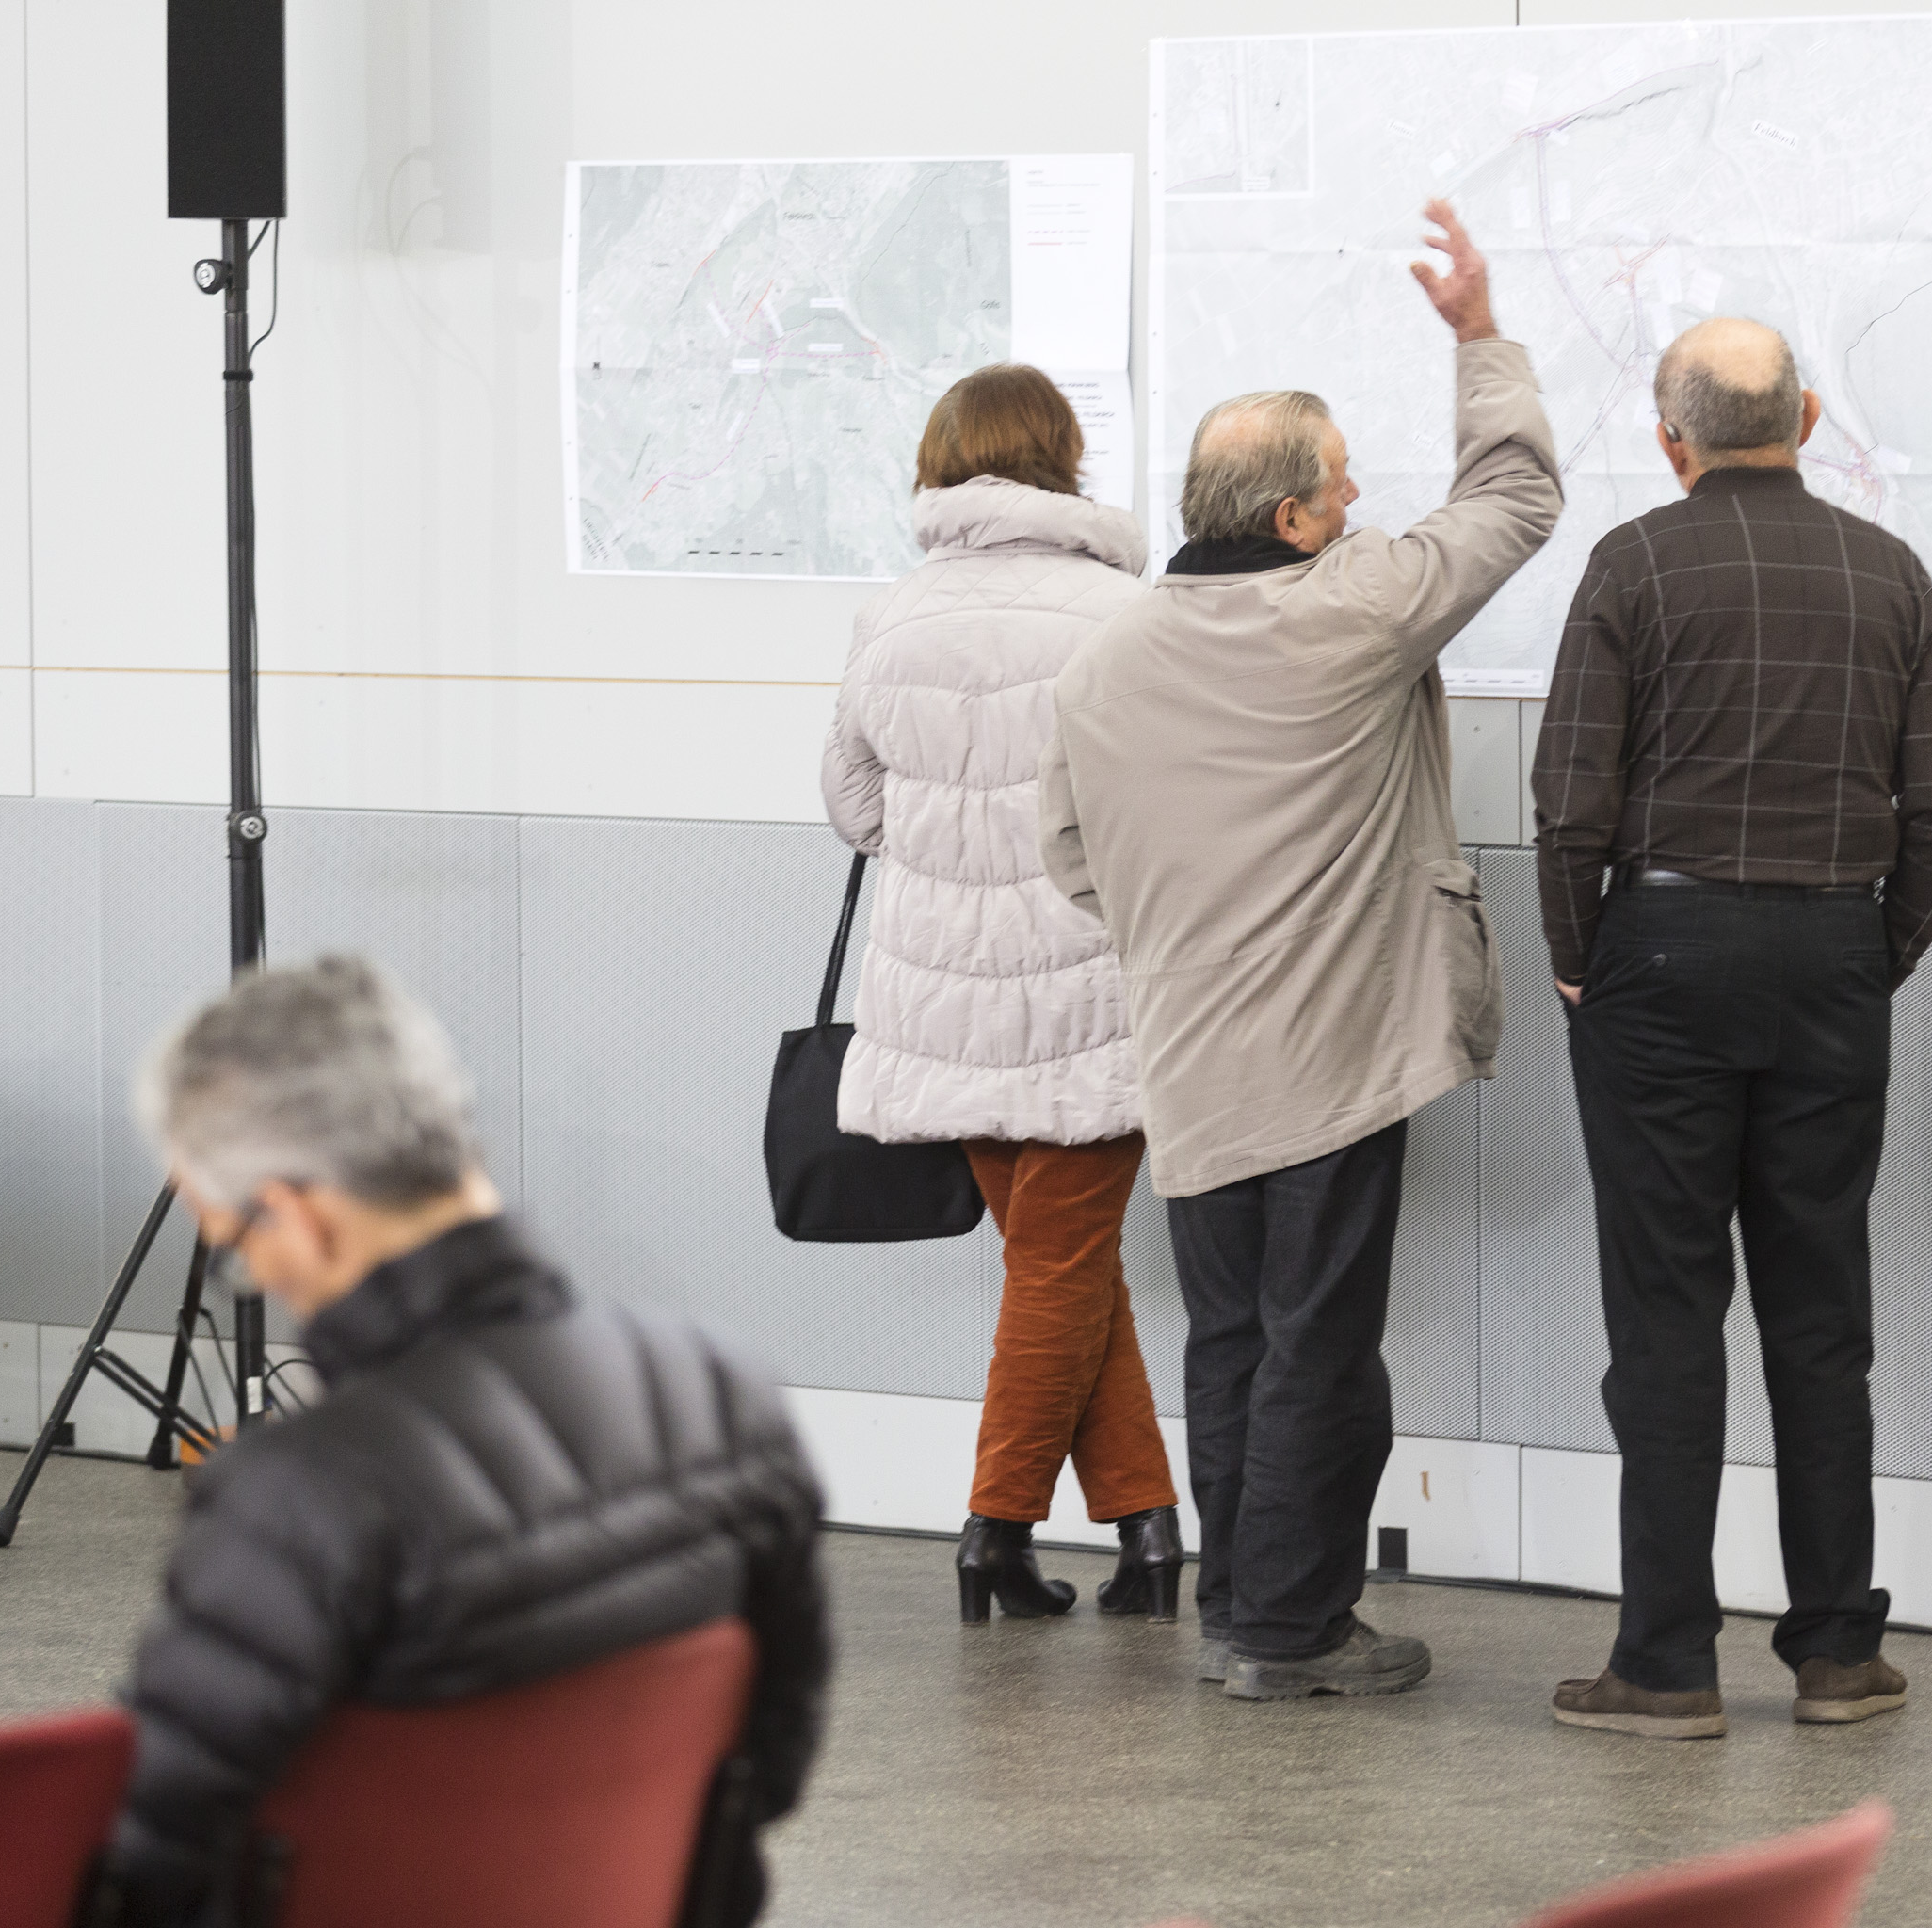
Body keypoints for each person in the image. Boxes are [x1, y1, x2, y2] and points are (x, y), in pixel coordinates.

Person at [1038, 201, 1562, 1702]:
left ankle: (1241, 1612)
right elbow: (1517, 494)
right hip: (1332, 1061)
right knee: (1321, 1345)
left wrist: (1189, 927)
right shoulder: (1352, 609)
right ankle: (1290, 1631)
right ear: (1289, 520)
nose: (1357, 501)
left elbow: (1070, 859)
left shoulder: (1104, 658)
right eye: (1341, 486)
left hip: (1193, 1063)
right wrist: (1477, 335)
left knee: (1231, 1339)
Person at [102, 956, 829, 1926]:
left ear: (298, 1215)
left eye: (236, 1247)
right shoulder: (727, 1391)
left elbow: (145, 1864)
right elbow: (767, 1766)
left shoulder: (301, 1490)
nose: (260, 1276)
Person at [1532, 318, 1932, 1741]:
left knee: (1666, 1317)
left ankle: (1666, 1662)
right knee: (1820, 1315)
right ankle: (1838, 1651)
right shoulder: (1890, 572)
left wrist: (1578, 964)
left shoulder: (1633, 564)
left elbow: (1571, 806)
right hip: (1832, 955)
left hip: (1659, 960)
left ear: (1672, 440)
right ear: (1811, 416)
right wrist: (1868, 957)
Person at [822, 363, 1184, 1627]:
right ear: (1063, 455)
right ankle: (995, 1530)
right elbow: (1164, 805)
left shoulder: (894, 617)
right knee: (1063, 1265)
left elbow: (856, 810)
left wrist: (952, 848)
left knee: (1057, 1265)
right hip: (1093, 984)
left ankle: (1147, 1530)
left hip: (942, 994)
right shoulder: (1124, 614)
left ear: (942, 459)